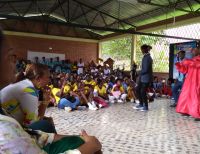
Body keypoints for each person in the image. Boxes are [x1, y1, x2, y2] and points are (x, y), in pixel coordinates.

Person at [0, 27, 102, 154]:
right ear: (38, 78)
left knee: (48, 126)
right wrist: (89, 147)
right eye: (11, 57)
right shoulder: (28, 92)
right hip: (24, 130)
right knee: (83, 144)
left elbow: (30, 130)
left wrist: (74, 136)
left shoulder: (27, 88)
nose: (15, 63)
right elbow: (30, 125)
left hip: (25, 130)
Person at [175, 47, 200, 121]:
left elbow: (197, 65)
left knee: (196, 95)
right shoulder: (192, 59)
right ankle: (186, 110)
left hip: (197, 80)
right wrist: (179, 65)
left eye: (195, 50)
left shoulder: (194, 60)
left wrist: (188, 62)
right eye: (193, 50)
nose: (193, 52)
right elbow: (185, 70)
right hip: (189, 80)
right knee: (186, 94)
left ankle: (198, 113)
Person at [133, 44, 153, 111]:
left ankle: (145, 107)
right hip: (143, 77)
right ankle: (141, 104)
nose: (141, 51)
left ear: (145, 49)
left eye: (142, 49)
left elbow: (146, 69)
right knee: (137, 89)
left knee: (142, 92)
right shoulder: (145, 57)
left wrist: (139, 72)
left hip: (146, 78)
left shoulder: (148, 58)